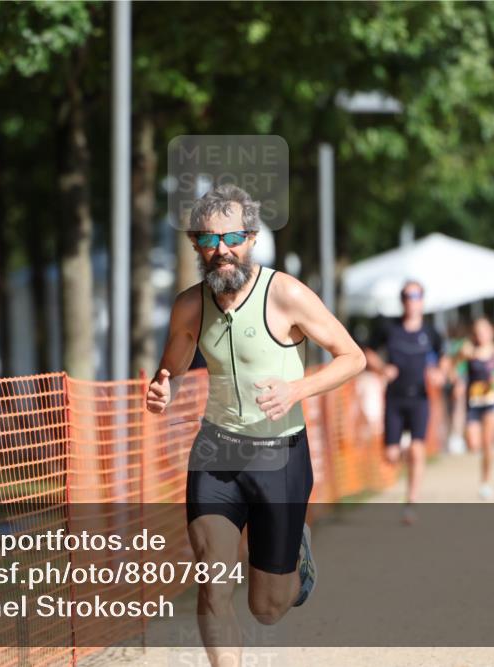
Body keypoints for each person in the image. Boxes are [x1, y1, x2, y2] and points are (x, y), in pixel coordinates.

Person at [146, 184, 365, 666]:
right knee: (213, 583)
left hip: (279, 454)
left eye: (233, 237)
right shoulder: (189, 306)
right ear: (196, 245)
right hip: (215, 454)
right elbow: (172, 368)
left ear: (251, 238)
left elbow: (353, 357)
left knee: (266, 608)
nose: (222, 250)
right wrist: (163, 387)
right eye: (209, 239)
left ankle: (296, 559)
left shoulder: (285, 294)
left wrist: (296, 390)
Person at [363, 280, 447, 523]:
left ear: (422, 300)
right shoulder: (390, 328)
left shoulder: (430, 333)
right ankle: (402, 448)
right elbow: (367, 351)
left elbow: (443, 358)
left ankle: (411, 500)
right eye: (408, 296)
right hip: (395, 399)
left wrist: (439, 373)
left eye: (417, 295)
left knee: (418, 450)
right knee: (390, 455)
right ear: (402, 300)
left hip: (420, 398)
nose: (412, 300)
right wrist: (381, 368)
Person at [452, 317, 494, 500]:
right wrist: (458, 382)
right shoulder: (467, 350)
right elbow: (454, 367)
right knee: (473, 444)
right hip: (473, 404)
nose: (481, 335)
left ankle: (485, 482)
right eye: (477, 332)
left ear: (491, 332)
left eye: (484, 331)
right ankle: (466, 440)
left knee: (487, 444)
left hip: (491, 403)